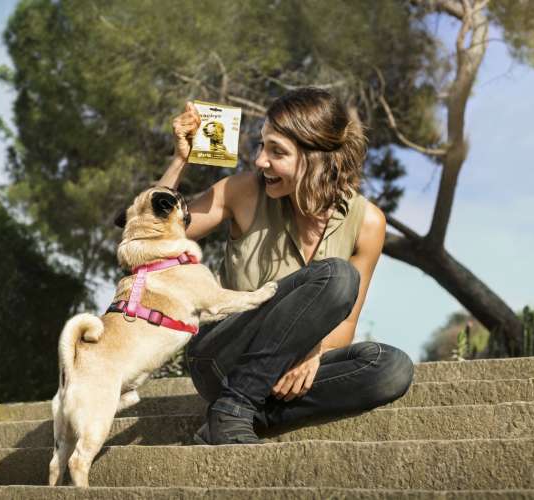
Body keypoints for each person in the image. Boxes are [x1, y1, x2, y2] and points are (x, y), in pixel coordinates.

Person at [157, 87, 414, 445]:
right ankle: (234, 405)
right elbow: (152, 238)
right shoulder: (243, 190)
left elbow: (347, 324)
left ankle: (239, 414)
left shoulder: (368, 221)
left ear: (318, 158)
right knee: (338, 276)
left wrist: (312, 350)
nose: (261, 161)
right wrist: (178, 161)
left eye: (277, 152)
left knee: (391, 368)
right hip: (221, 358)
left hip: (284, 377)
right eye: (263, 146)